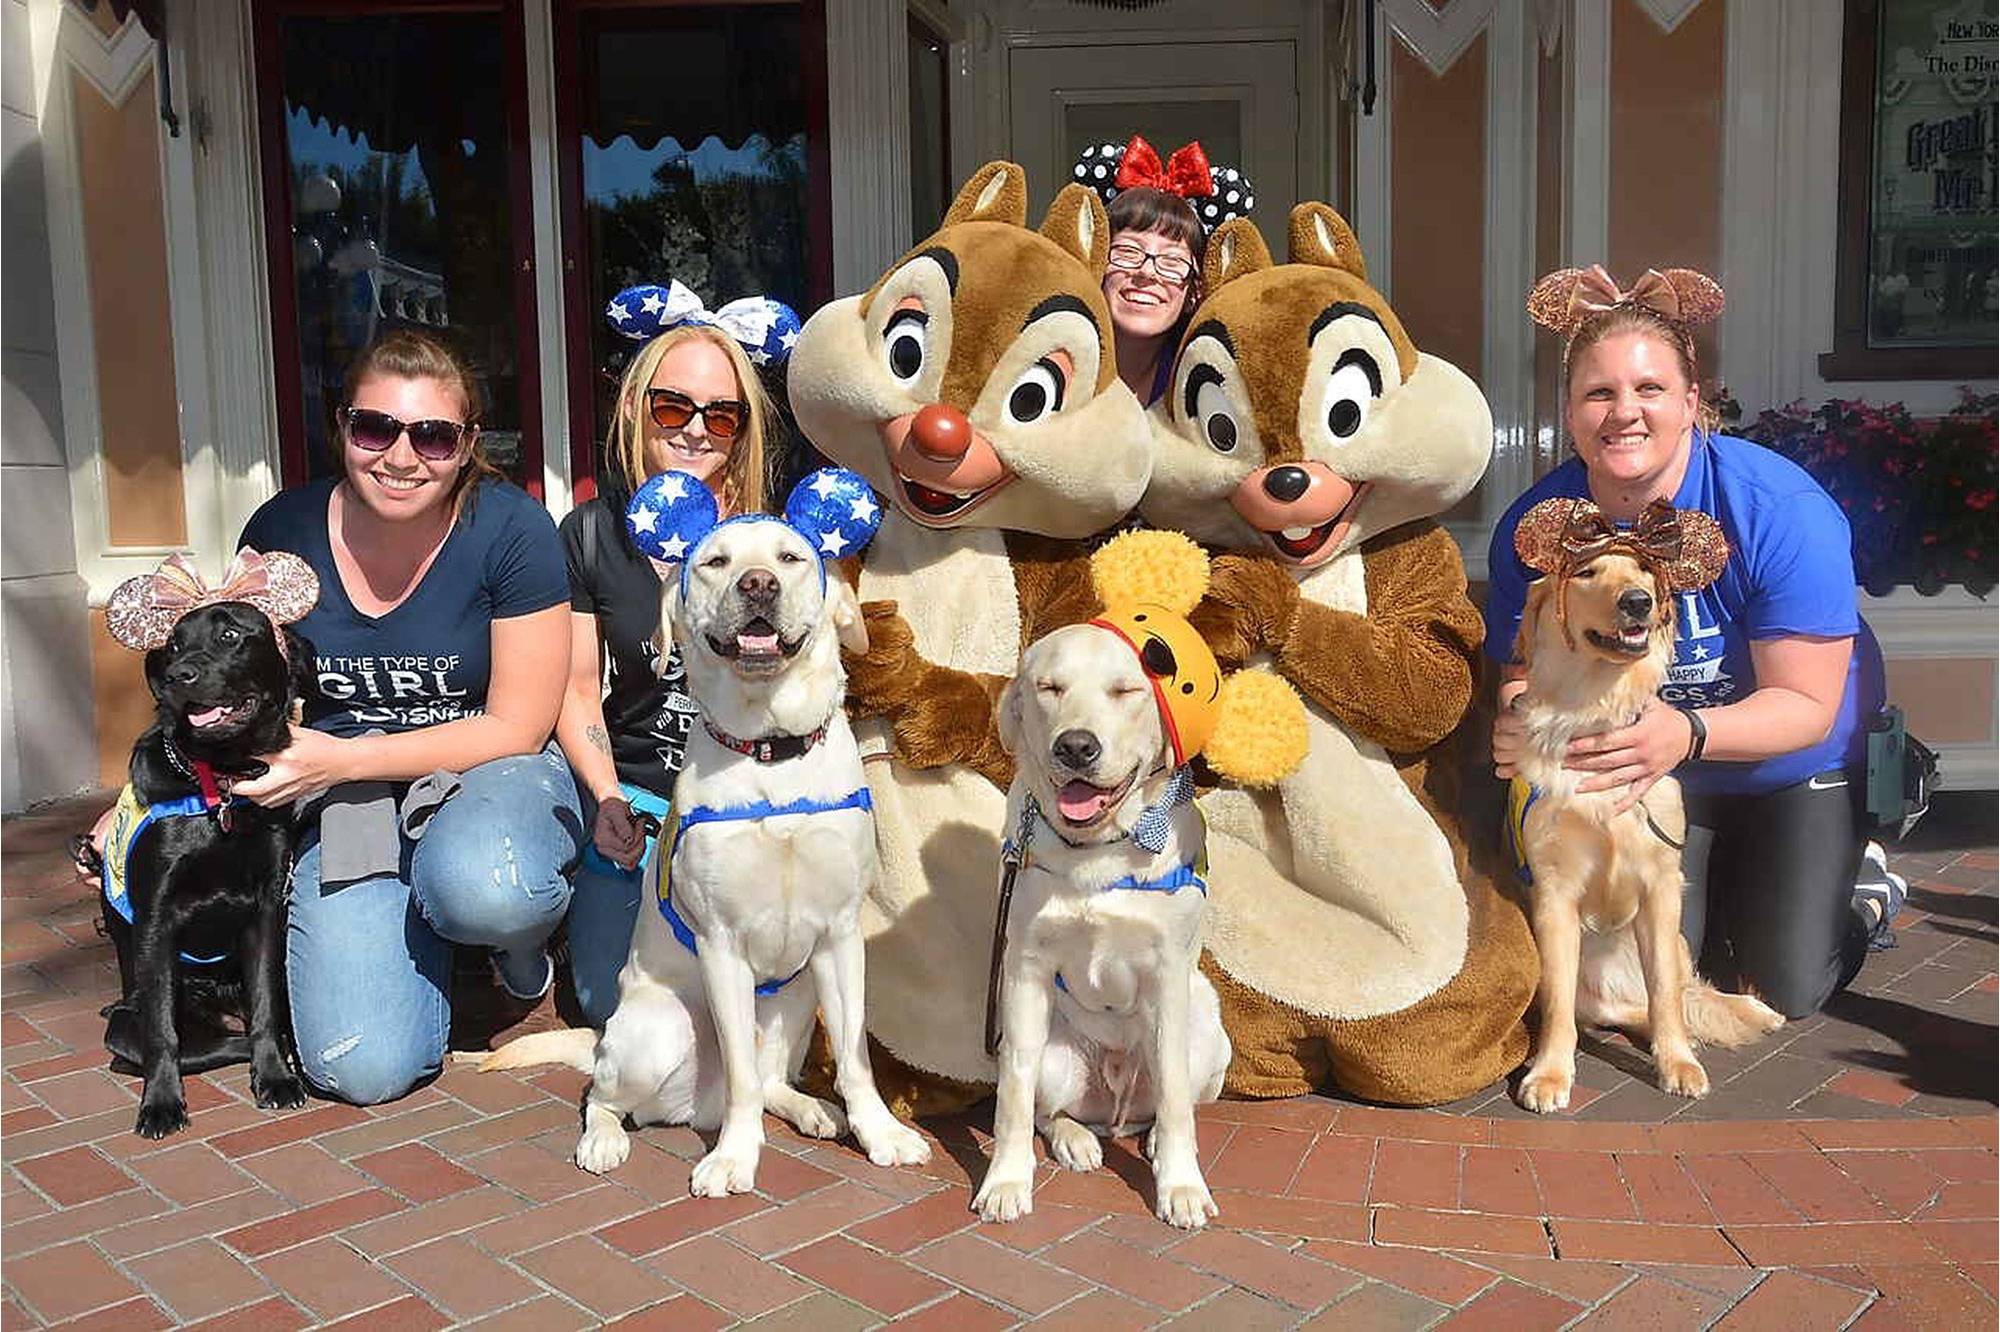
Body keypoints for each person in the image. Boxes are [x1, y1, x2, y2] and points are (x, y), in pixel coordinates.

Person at [1486, 264, 1892, 1020]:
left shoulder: (1780, 510)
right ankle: (1738, 882)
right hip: (1648, 767)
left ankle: (1859, 886)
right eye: (1599, 393)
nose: (1624, 413)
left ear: (1693, 404)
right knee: (1651, 985)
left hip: (1786, 761)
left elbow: (1806, 704)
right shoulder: (1537, 527)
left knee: (1784, 987)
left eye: (1650, 390)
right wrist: (1519, 719)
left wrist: (1689, 730)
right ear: (1569, 411)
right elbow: (1521, 664)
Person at [233, 329, 580, 1104]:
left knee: (490, 885)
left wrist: (344, 759)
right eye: (374, 428)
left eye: (431, 435)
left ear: (467, 444)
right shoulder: (281, 534)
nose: (400, 456)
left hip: (486, 771)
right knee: (363, 1068)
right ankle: (415, 944)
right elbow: (236, 682)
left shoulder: (510, 528)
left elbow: (517, 725)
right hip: (351, 801)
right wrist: (140, 803)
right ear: (342, 428)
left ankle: (518, 960)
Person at [559, 285, 791, 1024]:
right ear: (634, 405)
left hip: (749, 799)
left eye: (721, 414)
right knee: (607, 1002)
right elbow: (572, 690)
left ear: (744, 430)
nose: (696, 430)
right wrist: (606, 799)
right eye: (673, 407)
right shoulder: (593, 534)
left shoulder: (776, 545)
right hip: (641, 799)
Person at [1072, 136, 1256, 405]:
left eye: (1172, 261)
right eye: (1128, 252)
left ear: (1195, 290)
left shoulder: (1210, 389)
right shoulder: (1056, 369)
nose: (1148, 272)